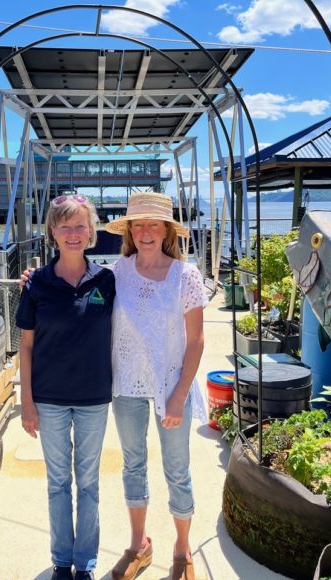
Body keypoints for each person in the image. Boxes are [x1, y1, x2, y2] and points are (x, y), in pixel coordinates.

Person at [104, 192, 207, 580]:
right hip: (126, 383)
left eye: (154, 223)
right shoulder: (118, 271)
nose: (146, 231)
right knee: (133, 464)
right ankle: (139, 545)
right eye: (139, 224)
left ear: (167, 230)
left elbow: (196, 341)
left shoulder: (187, 276)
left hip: (170, 386)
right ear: (130, 230)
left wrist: (180, 395)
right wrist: (34, 278)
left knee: (177, 468)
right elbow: (79, 292)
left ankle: (183, 549)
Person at [16, 194, 116, 580]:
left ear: (91, 231)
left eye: (80, 226)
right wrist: (27, 400)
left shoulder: (106, 280)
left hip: (93, 397)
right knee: (58, 482)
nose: (73, 234)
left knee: (88, 483)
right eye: (65, 226)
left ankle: (85, 563)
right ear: (52, 232)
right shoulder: (37, 283)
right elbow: (24, 346)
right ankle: (61, 560)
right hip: (50, 398)